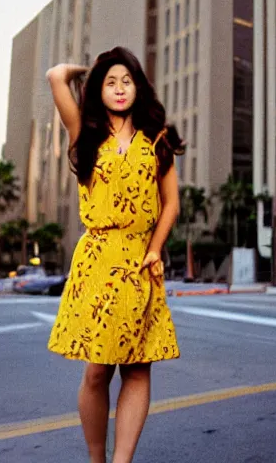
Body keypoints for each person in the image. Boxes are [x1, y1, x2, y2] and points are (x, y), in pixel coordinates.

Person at [46, 46, 185, 463]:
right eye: (111, 82)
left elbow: (171, 203)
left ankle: (122, 460)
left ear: (139, 88)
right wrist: (87, 70)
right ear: (98, 90)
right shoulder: (85, 134)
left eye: (127, 81)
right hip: (97, 260)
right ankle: (96, 458)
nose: (120, 88)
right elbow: (56, 76)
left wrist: (156, 248)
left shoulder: (157, 139)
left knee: (139, 367)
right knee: (96, 370)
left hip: (141, 259)